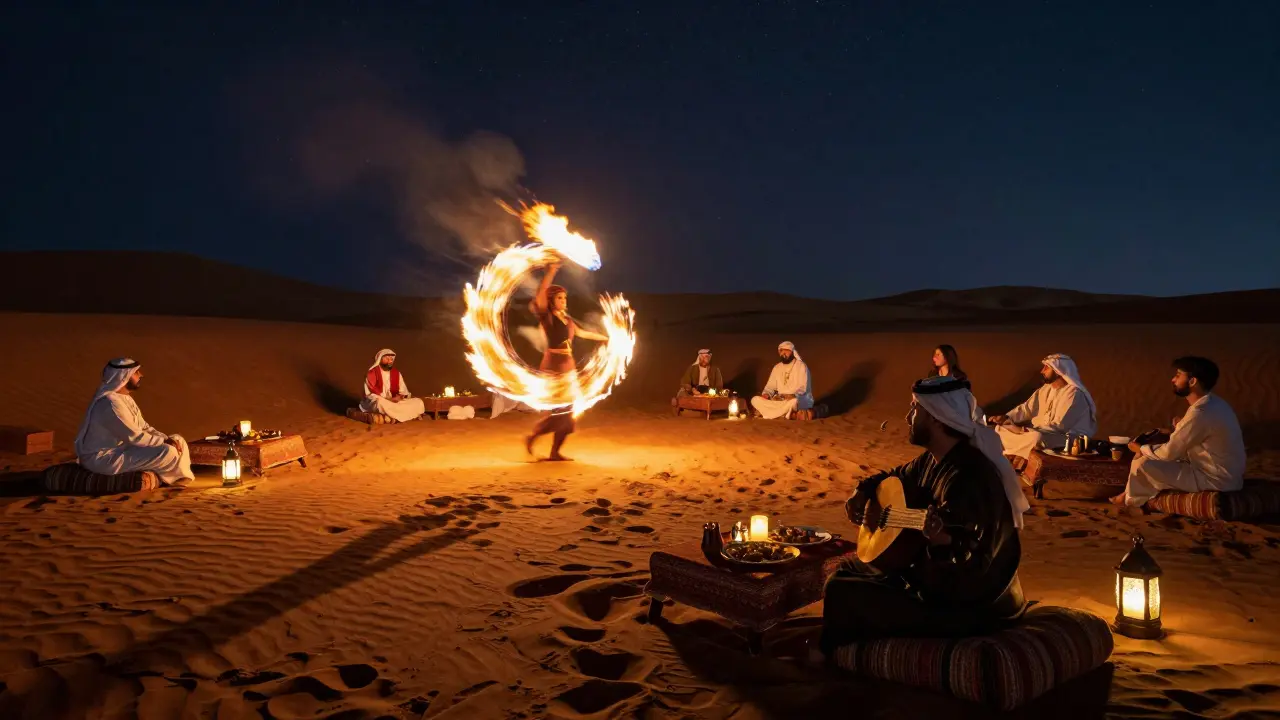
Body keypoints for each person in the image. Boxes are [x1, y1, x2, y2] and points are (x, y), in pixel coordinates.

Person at [817, 376, 1028, 659]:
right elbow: (892, 477)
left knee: (842, 591)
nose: (907, 417)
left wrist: (941, 541)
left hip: (971, 606)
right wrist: (862, 491)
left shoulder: (967, 477)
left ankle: (835, 658)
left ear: (938, 419)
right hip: (937, 583)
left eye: (915, 410)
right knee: (845, 571)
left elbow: (973, 563)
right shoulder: (933, 460)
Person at [1111, 356, 1247, 507]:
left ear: (1192, 381)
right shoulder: (1215, 403)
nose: (1173, 380)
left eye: (1178, 375)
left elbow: (1169, 452)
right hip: (1228, 477)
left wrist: (1141, 448)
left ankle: (1131, 500)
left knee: (1143, 464)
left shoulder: (1200, 412)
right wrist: (1180, 427)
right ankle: (1129, 493)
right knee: (1159, 458)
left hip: (1214, 480)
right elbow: (1198, 434)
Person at [523, 262, 608, 461]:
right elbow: (540, 296)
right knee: (561, 412)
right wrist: (551, 272)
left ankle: (554, 452)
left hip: (568, 368)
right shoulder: (548, 318)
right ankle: (533, 437)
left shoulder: (567, 320)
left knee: (568, 416)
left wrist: (606, 338)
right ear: (552, 301)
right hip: (553, 367)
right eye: (559, 298)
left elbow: (582, 333)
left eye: (564, 297)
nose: (563, 301)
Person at [74, 358, 194, 487]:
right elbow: (134, 436)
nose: (141, 375)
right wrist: (163, 442)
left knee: (178, 440)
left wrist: (166, 439)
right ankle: (172, 478)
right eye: (136, 372)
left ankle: (177, 477)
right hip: (104, 458)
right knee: (167, 451)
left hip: (123, 450)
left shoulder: (125, 398)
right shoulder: (110, 403)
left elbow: (144, 427)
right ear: (124, 376)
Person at [989, 353, 1096, 461]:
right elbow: (1027, 408)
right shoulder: (1045, 389)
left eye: (1047, 368)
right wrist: (1007, 418)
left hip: (1068, 439)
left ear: (1058, 371)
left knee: (1037, 438)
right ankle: (1020, 451)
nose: (1042, 371)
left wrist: (1023, 430)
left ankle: (1019, 453)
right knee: (999, 429)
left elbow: (1059, 426)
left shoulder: (1074, 394)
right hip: (1037, 432)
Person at [750, 341, 814, 419]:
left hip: (798, 398)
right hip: (780, 400)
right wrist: (766, 394)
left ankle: (770, 414)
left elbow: (803, 388)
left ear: (792, 352)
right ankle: (785, 414)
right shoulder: (777, 367)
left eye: (786, 350)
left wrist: (792, 395)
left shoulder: (801, 366)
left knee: (794, 402)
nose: (783, 353)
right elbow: (770, 386)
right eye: (781, 351)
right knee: (755, 400)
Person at [360, 349, 427, 423]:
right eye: (387, 358)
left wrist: (399, 397)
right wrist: (388, 400)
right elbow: (370, 395)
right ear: (380, 359)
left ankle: (392, 415)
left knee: (418, 402)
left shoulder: (396, 373)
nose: (389, 361)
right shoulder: (372, 373)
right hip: (379, 401)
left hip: (394, 402)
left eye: (391, 359)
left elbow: (403, 392)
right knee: (380, 403)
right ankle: (404, 415)